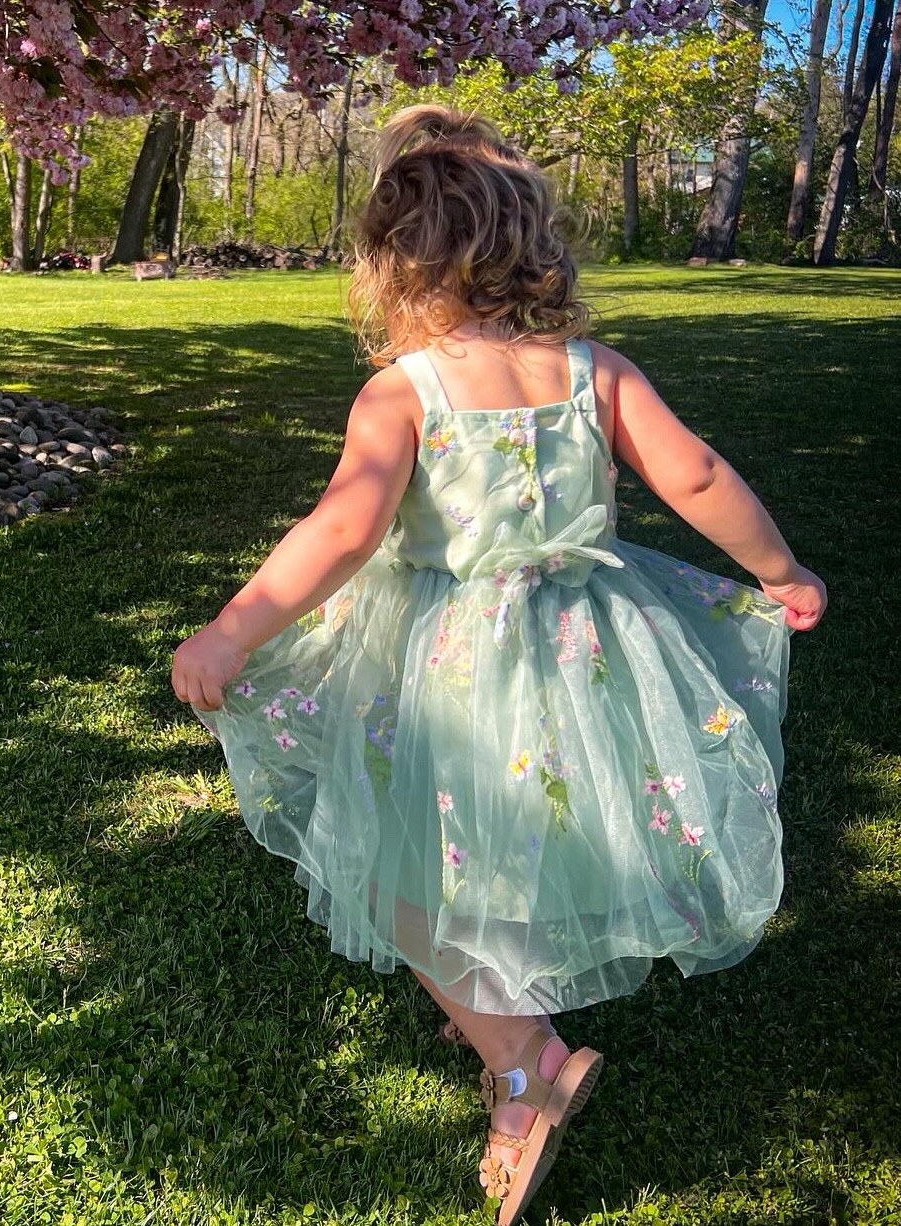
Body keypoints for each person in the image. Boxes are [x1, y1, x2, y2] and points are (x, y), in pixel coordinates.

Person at [171, 105, 826, 1224]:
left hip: (450, 666)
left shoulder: (404, 390)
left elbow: (340, 531)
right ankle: (495, 1006)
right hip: (590, 648)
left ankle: (522, 1057)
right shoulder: (592, 370)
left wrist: (231, 630)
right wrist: (779, 569)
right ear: (534, 243)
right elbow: (699, 475)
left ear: (389, 262)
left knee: (392, 871)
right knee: (526, 829)